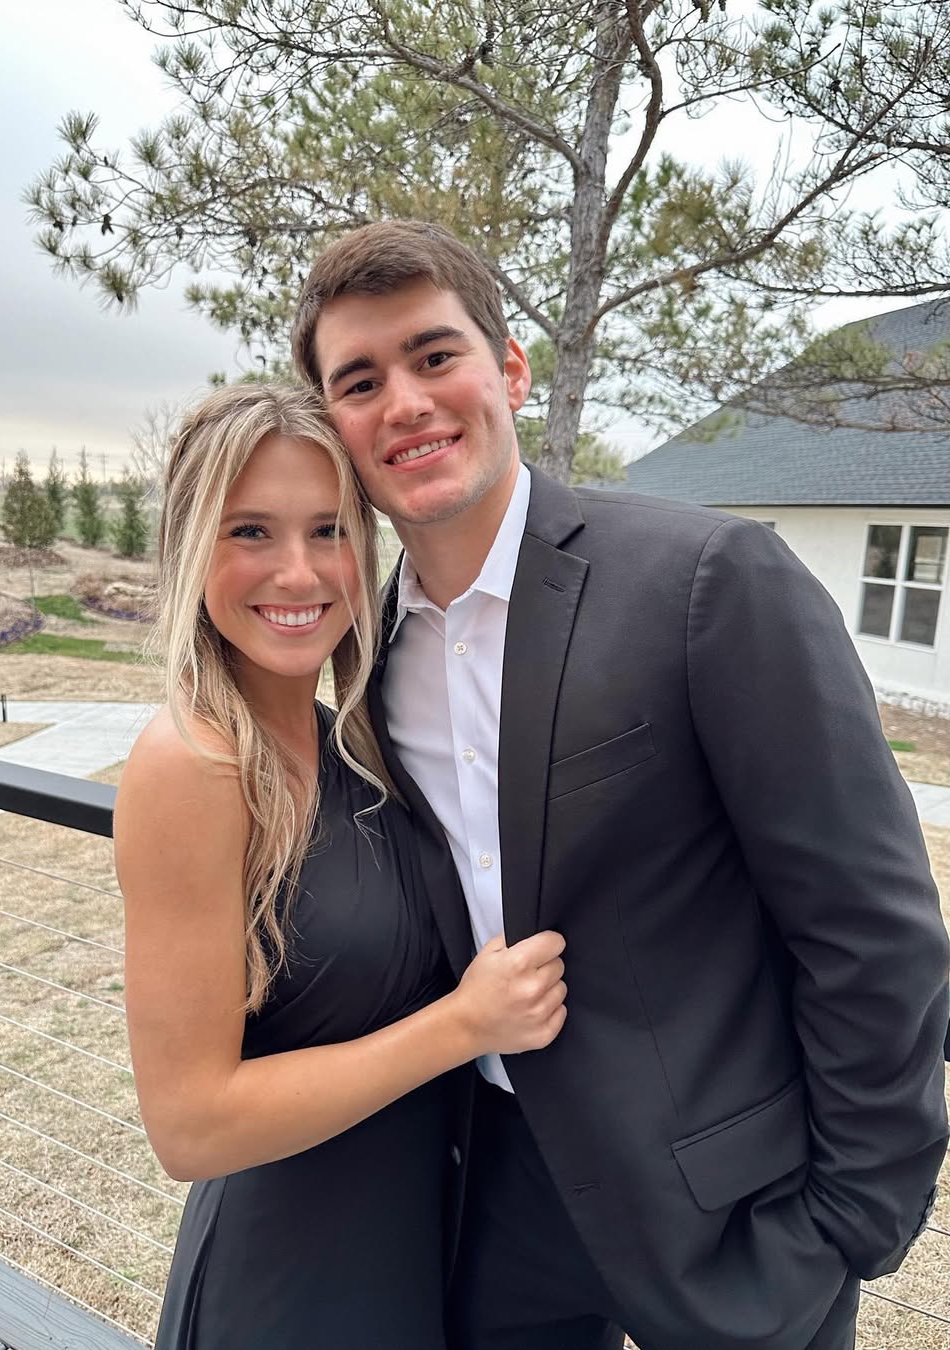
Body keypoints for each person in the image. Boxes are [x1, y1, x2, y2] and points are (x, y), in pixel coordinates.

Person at [290, 221, 950, 1350]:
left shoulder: (708, 580)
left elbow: (872, 926)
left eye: (434, 355)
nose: (404, 401)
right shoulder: (368, 659)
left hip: (738, 1223)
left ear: (509, 370)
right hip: (495, 1206)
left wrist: (852, 1222)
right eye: (360, 381)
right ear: (334, 426)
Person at [113, 382, 569, 1349]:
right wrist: (465, 1024)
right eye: (250, 532)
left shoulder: (350, 741)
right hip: (294, 1285)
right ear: (191, 550)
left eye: (328, 530)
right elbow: (188, 1126)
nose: (299, 571)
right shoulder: (194, 763)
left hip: (412, 1248)